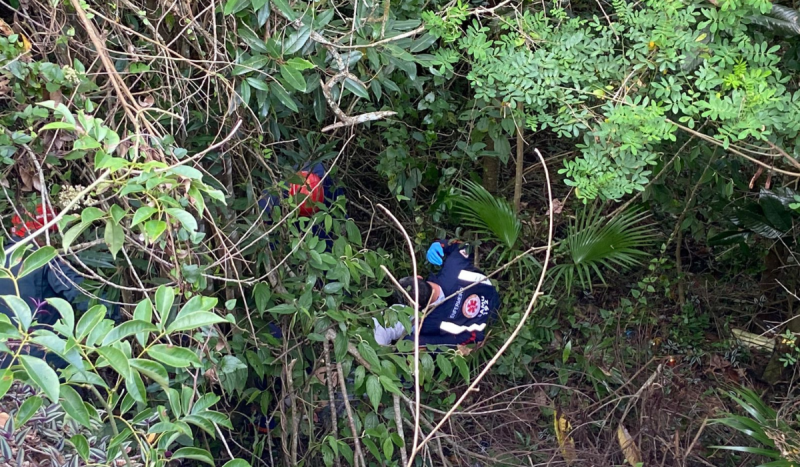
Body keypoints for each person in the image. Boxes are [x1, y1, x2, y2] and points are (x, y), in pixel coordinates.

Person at [0, 203, 119, 368]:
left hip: (5, 362)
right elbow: (81, 295)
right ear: (47, 230)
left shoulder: (2, 259)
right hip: (45, 360)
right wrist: (116, 316)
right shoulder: (43, 259)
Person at [374, 239, 501, 348]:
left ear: (416, 307)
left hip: (481, 330)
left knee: (409, 343)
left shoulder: (428, 323)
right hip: (492, 294)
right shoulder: (453, 267)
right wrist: (442, 244)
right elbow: (467, 246)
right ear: (418, 277)